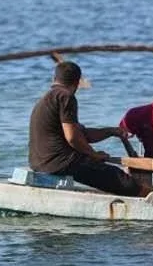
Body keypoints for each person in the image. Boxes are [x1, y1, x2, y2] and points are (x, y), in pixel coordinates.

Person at [29, 61, 144, 196]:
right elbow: (72, 138)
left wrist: (111, 131)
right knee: (122, 180)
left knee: (104, 172)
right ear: (78, 82)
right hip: (62, 162)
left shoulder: (45, 99)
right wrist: (93, 154)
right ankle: (149, 198)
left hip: (38, 163)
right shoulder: (66, 97)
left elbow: (82, 135)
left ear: (54, 79)